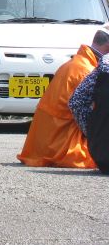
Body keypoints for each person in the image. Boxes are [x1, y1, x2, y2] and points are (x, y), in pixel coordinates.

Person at [17, 27, 109, 168]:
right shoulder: (86, 70)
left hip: (40, 144)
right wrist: (93, 135)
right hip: (60, 146)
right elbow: (78, 106)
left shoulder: (75, 63)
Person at [68, 27, 109, 142]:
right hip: (67, 144)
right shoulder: (89, 69)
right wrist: (93, 134)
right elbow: (76, 103)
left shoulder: (80, 63)